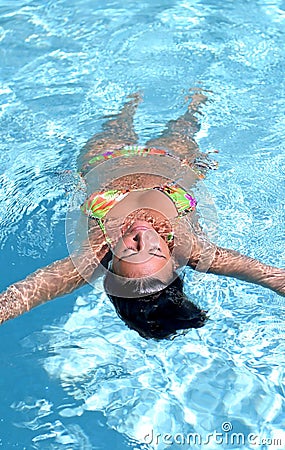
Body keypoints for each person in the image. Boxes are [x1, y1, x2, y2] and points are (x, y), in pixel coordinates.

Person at [0, 91, 284, 339]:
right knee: (186, 122)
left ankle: (131, 103)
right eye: (156, 252)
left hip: (105, 158)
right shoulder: (189, 246)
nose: (142, 237)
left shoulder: (95, 252)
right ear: (173, 260)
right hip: (171, 158)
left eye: (130, 252)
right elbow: (267, 276)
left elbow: (32, 292)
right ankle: (196, 97)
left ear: (110, 267)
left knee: (119, 119)